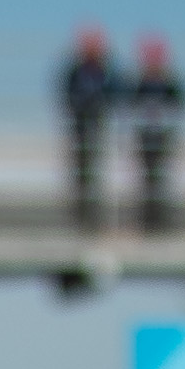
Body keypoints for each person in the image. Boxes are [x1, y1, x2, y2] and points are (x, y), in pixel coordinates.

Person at [122, 36, 185, 233]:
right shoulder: (140, 83)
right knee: (146, 180)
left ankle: (161, 221)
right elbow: (128, 102)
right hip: (145, 138)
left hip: (162, 137)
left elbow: (184, 100)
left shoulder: (169, 82)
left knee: (161, 180)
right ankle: (146, 221)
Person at [59, 29, 119, 230]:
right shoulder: (75, 70)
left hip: (98, 127)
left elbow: (115, 94)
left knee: (97, 173)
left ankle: (95, 218)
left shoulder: (106, 70)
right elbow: (66, 93)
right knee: (80, 174)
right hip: (80, 128)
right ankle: (80, 218)